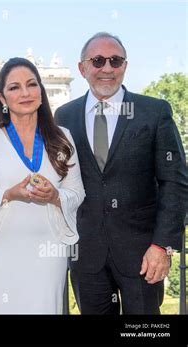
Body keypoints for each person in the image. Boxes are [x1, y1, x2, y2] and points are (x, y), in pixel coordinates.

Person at [55, 32, 188, 314]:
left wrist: (163, 245)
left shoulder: (154, 112)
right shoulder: (64, 117)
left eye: (115, 61)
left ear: (125, 66)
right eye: (98, 61)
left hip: (143, 256)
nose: (107, 68)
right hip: (86, 255)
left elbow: (174, 183)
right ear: (82, 68)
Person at [0, 57, 85, 313]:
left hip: (49, 250)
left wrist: (54, 196)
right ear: (3, 99)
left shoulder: (63, 137)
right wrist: (9, 194)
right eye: (14, 87)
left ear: (41, 91)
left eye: (31, 84)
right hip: (0, 251)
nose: (25, 93)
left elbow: (77, 192)